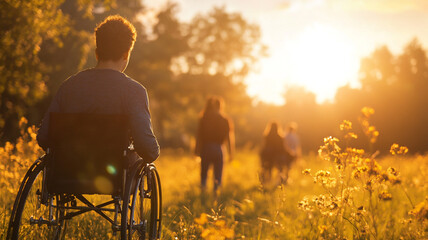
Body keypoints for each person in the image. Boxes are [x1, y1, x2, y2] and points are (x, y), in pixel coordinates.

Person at [37, 15, 159, 165]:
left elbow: (43, 136)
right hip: (115, 177)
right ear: (126, 54)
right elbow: (149, 151)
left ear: (97, 52)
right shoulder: (134, 91)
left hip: (68, 175)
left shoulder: (69, 86)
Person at [195, 96, 234, 193]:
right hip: (219, 149)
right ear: (220, 106)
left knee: (204, 174)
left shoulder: (204, 118)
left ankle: (203, 194)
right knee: (218, 175)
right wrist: (231, 152)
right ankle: (215, 197)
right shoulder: (224, 119)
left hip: (206, 148)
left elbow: (199, 136)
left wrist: (196, 150)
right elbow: (229, 138)